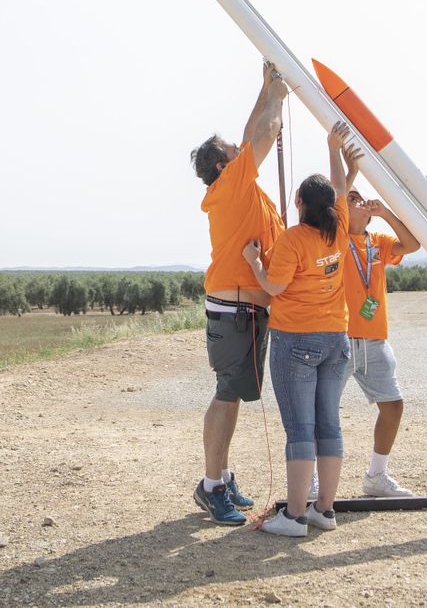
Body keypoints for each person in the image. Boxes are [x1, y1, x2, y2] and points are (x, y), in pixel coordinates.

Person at [241, 120, 359, 537]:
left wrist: (255, 261)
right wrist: (334, 149)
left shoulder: (293, 240)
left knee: (300, 428)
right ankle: (323, 510)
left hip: (297, 342)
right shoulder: (340, 229)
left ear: (299, 202)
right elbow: (342, 190)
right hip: (336, 340)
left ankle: (292, 516)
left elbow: (274, 286)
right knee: (329, 423)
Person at [189, 60, 288, 525]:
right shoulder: (232, 185)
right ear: (221, 163)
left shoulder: (241, 185)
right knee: (226, 394)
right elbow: (262, 136)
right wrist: (278, 99)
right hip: (233, 309)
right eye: (232, 147)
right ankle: (211, 487)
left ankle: (222, 476)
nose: (240, 146)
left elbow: (253, 133)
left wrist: (265, 88)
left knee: (233, 393)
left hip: (245, 309)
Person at [341, 189, 421, 497]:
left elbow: (412, 244)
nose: (360, 200)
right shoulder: (333, 241)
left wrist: (386, 214)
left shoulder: (378, 242)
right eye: (351, 198)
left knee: (393, 407)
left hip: (375, 340)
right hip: (340, 339)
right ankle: (312, 484)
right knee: (323, 411)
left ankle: (376, 476)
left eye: (360, 196)